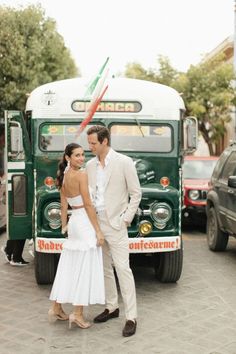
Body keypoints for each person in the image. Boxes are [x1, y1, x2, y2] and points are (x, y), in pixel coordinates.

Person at [86, 125, 142, 337]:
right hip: (97, 224)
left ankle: (131, 316)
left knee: (122, 268)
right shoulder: (90, 166)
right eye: (89, 142)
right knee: (104, 268)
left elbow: (136, 193)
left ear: (104, 142)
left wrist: (126, 219)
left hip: (117, 224)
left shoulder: (124, 162)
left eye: (93, 143)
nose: (89, 146)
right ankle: (112, 307)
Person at [48, 143, 105, 329]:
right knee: (84, 267)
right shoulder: (81, 175)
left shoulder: (64, 176)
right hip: (85, 222)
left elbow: (64, 205)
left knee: (70, 264)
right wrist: (97, 230)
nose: (81, 158)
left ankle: (56, 306)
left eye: (83, 154)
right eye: (77, 155)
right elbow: (88, 206)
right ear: (68, 158)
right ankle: (78, 314)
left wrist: (65, 224)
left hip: (74, 224)